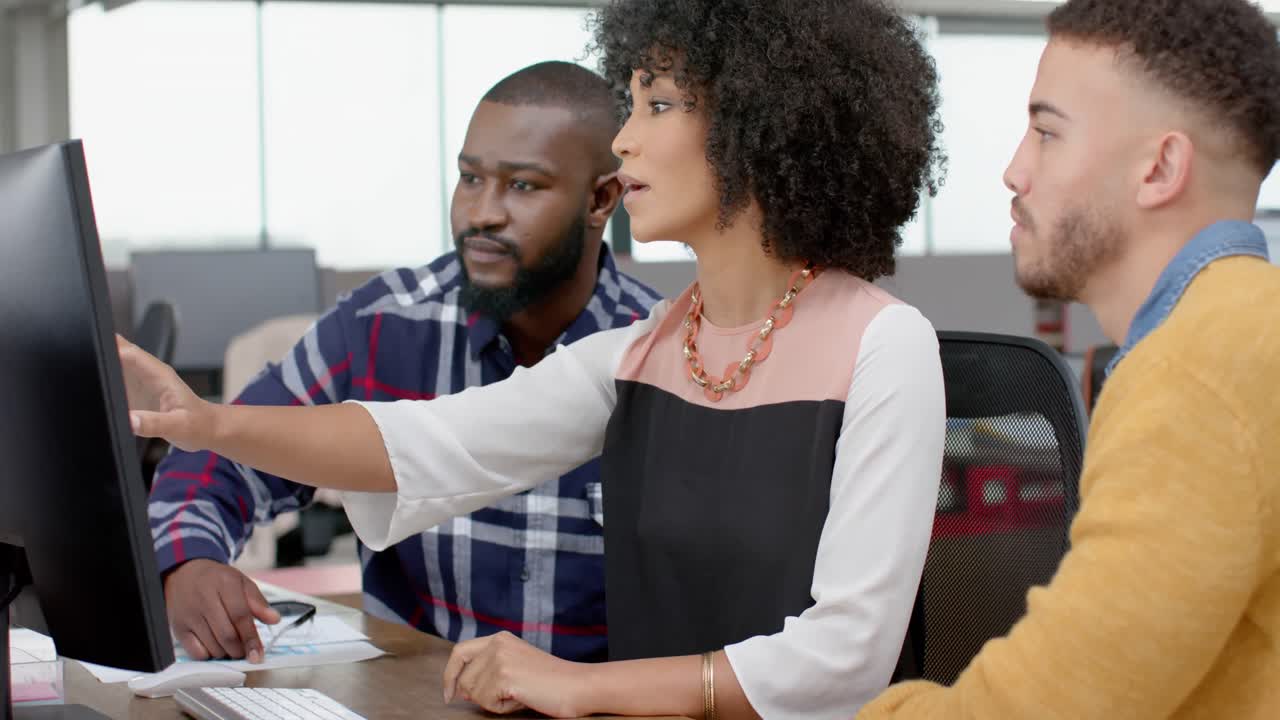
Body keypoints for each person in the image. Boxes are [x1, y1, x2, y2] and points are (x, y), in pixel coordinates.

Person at [120, 0, 949, 717]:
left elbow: (844, 658)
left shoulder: (885, 345)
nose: (623, 142)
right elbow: (433, 442)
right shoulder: (642, 349)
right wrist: (211, 423)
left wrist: (584, 686)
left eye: (656, 106)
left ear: (760, 125)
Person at [146, 60, 660, 667]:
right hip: (412, 702)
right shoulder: (381, 325)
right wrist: (187, 563)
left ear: (602, 199)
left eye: (522, 185)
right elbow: (220, 454)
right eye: (470, 179)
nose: (483, 212)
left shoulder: (664, 356)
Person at [859, 0, 1280, 717]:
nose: (1014, 171)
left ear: (1160, 168)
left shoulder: (1198, 372)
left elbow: (1050, 707)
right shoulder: (1238, 327)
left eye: (1047, 133)